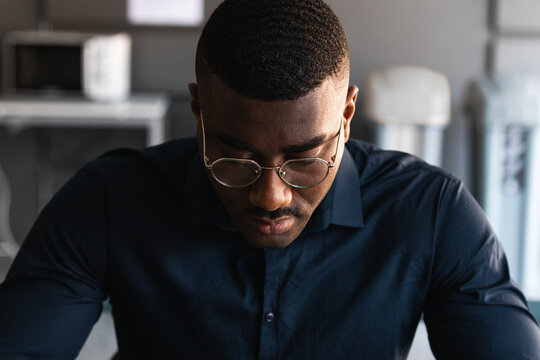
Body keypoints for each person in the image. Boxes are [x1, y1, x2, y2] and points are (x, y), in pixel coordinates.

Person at [1, 0, 540, 358]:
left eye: (305, 159)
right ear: (198, 112)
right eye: (237, 156)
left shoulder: (433, 213)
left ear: (346, 117)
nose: (270, 195)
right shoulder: (109, 201)